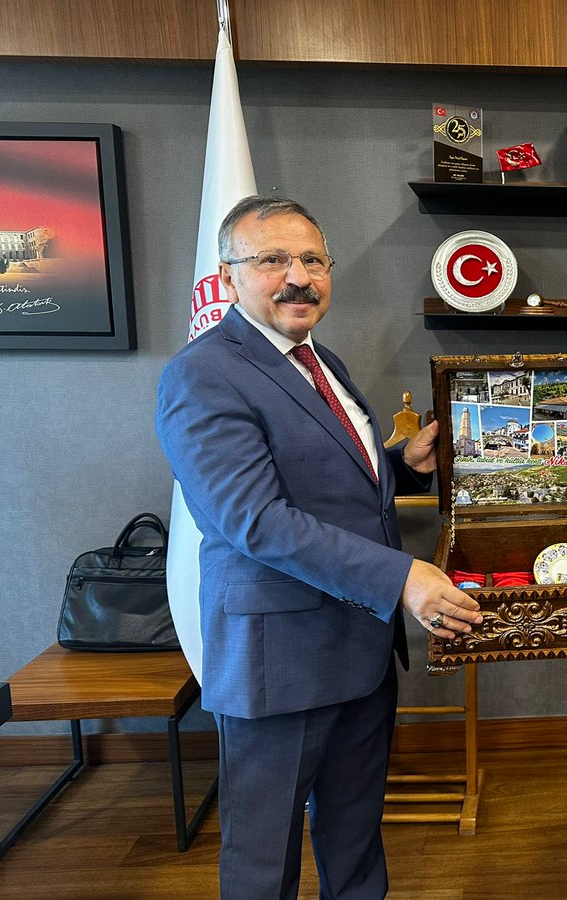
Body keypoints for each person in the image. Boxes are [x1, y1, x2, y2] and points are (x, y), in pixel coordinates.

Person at [155, 196, 481, 900]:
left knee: (354, 839)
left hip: (359, 652)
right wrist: (403, 578)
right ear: (228, 275)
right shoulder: (202, 374)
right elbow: (255, 521)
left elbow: (331, 485)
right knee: (263, 861)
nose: (298, 277)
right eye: (272, 259)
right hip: (281, 663)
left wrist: (400, 466)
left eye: (312, 260)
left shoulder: (317, 359)